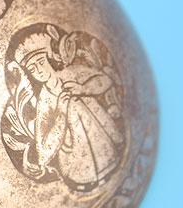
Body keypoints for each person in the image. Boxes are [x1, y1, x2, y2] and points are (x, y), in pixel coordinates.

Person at [13, 31, 124, 191]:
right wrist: (61, 113)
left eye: (40, 62)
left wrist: (84, 88)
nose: (39, 70)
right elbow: (44, 151)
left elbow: (105, 80)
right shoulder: (45, 99)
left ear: (49, 58)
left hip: (106, 148)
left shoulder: (72, 73)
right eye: (32, 69)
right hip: (79, 166)